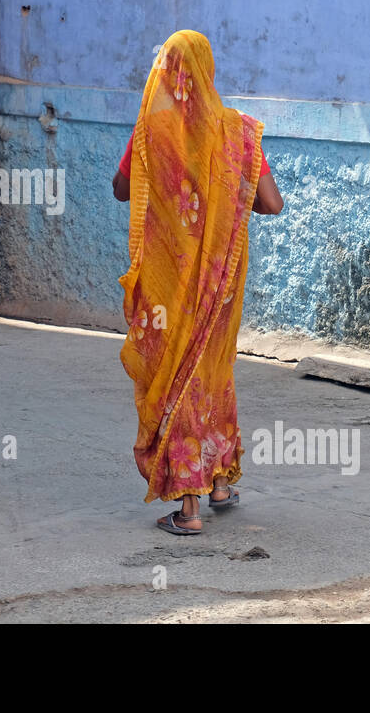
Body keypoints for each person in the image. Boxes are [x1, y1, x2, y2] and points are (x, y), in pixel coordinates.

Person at [112, 30, 283, 535]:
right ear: (208, 73)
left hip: (170, 289)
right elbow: (272, 203)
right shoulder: (237, 134)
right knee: (210, 371)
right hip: (220, 284)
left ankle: (188, 511)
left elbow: (122, 190)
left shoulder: (151, 133)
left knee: (176, 376)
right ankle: (220, 483)